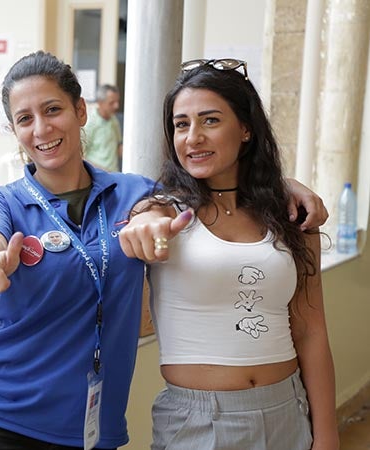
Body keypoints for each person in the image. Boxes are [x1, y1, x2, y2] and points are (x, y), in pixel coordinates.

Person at [0, 51, 328, 450]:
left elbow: (186, 193)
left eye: (52, 109)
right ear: (14, 130)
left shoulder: (135, 193)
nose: (41, 128)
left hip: (93, 426)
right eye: (25, 119)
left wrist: (284, 185)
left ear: (81, 111)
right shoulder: (0, 201)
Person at [120, 58, 338, 450]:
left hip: (288, 410)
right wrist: (143, 221)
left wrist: (327, 436)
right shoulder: (165, 212)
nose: (192, 137)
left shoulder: (290, 214)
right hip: (198, 423)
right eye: (181, 124)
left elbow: (311, 330)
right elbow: (144, 221)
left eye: (210, 120)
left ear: (246, 129)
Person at [83, 84, 121, 172]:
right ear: (100, 103)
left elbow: (118, 147)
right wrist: (102, 171)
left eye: (117, 102)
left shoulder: (114, 120)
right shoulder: (89, 123)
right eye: (112, 103)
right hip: (98, 176)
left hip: (114, 175)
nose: (116, 106)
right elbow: (80, 157)